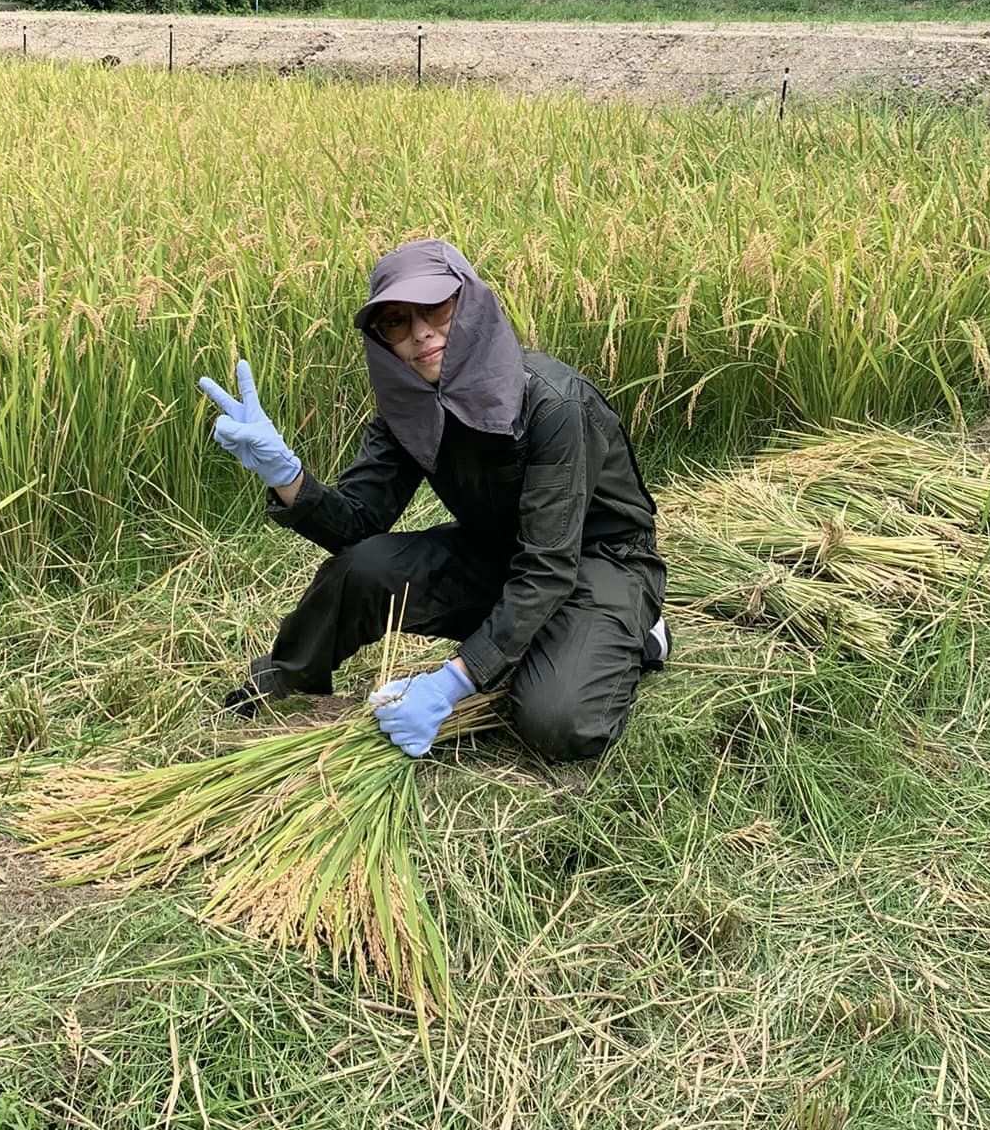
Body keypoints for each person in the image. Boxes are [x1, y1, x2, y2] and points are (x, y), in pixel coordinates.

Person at [198, 239, 669, 763]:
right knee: (362, 568)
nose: (421, 332)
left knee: (556, 721)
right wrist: (288, 477)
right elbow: (358, 527)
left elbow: (549, 565)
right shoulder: (409, 410)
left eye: (437, 309)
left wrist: (452, 683)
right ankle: (280, 681)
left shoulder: (552, 403)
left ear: (470, 307)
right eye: (397, 322)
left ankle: (637, 635)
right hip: (501, 551)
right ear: (383, 340)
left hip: (600, 562)